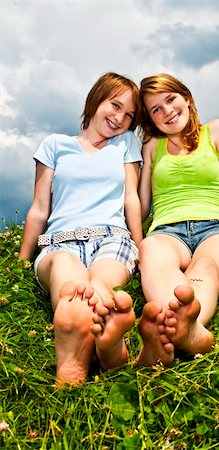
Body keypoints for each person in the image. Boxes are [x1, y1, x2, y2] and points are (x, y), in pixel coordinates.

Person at [135, 73, 219, 366]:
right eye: (156, 109)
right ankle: (178, 326)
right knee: (152, 254)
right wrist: (126, 235)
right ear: (151, 120)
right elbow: (143, 205)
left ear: (187, 99)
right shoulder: (152, 147)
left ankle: (189, 324)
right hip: (167, 230)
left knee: (206, 265)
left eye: (171, 100)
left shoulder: (216, 130)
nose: (167, 110)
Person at [19, 72, 143, 386]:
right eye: (115, 106)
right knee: (67, 277)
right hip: (61, 241)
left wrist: (140, 247)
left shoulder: (125, 144)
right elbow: (38, 208)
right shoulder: (55, 145)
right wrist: (22, 259)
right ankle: (101, 346)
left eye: (128, 115)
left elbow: (131, 198)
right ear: (95, 100)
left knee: (101, 281)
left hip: (112, 237)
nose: (119, 119)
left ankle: (98, 340)